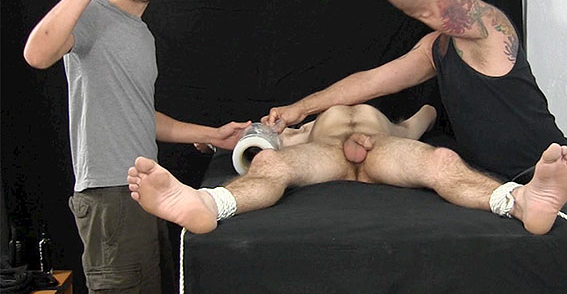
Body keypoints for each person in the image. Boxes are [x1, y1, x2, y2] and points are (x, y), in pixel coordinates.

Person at [260, 0, 567, 234]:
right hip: (495, 185)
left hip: (543, 179)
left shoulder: (488, 23)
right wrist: (300, 108)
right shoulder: (436, 47)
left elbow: (427, 6)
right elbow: (371, 82)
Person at [23, 0, 249, 294]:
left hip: (146, 192)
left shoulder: (141, 35)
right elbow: (37, 55)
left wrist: (214, 135)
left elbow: (141, 114)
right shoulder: (91, 13)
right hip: (109, 195)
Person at [127, 103, 440, 233]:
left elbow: (424, 116)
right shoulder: (299, 132)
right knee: (270, 162)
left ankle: (211, 202)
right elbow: (255, 140)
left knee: (439, 163)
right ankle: (209, 203)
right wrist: (213, 140)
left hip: (372, 145)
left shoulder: (304, 130)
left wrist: (432, 108)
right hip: (342, 148)